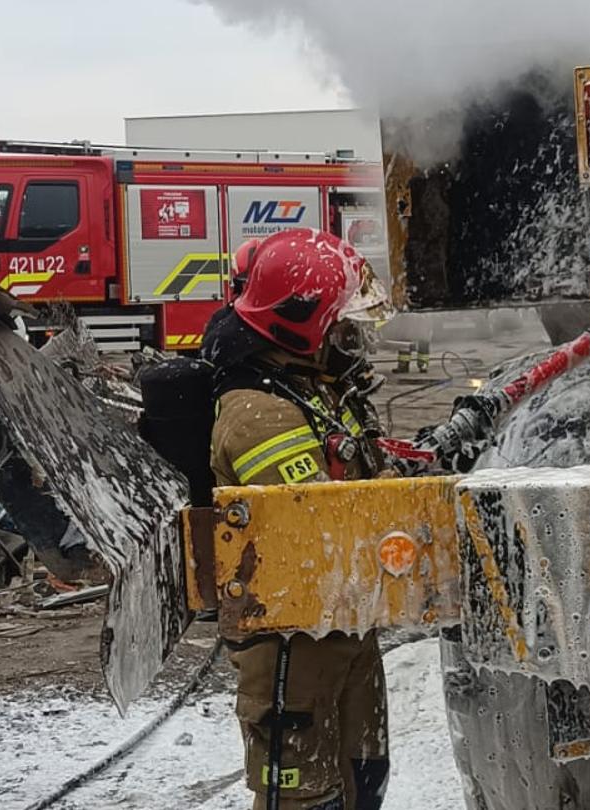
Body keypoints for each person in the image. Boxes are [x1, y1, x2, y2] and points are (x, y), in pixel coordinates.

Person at [205, 228, 388, 810]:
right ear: (299, 322)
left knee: (364, 779)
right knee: (308, 799)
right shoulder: (258, 413)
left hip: (343, 626)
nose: (352, 336)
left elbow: (358, 470)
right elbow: (320, 524)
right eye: (342, 322)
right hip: (292, 644)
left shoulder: (308, 385)